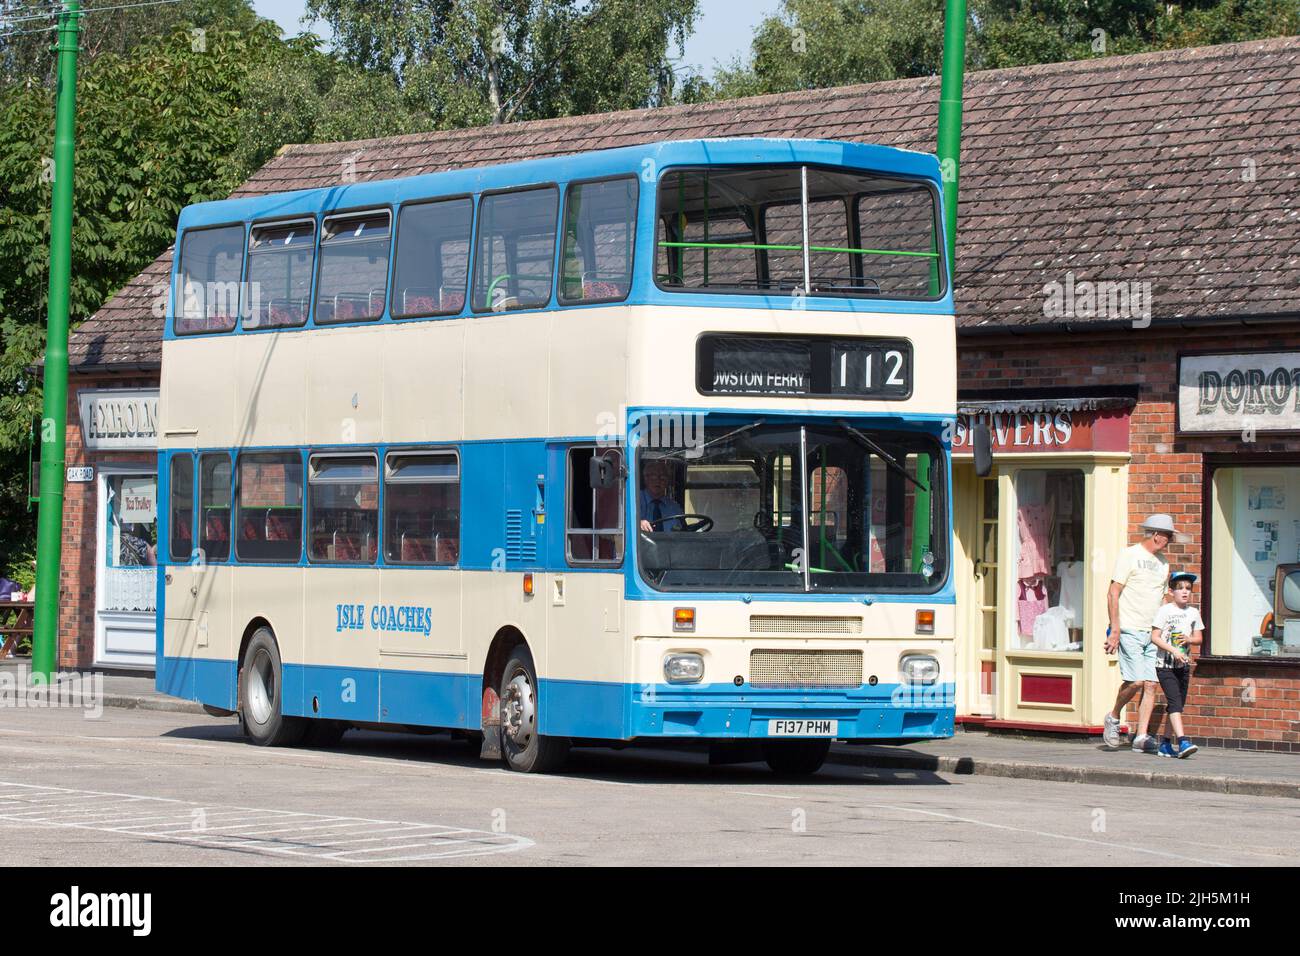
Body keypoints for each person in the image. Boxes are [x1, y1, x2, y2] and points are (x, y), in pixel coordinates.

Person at [1102, 513, 1175, 753]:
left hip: (1153, 632)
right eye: (1168, 536)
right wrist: (1115, 628)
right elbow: (1113, 592)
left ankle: (1141, 737)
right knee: (1135, 681)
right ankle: (1113, 716)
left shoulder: (1164, 563)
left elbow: (1163, 598)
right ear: (1156, 535)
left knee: (1151, 684)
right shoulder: (1129, 555)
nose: (1169, 541)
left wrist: (1167, 631)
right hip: (1130, 628)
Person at [1150, 572, 1203, 758]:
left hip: (1183, 666)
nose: (1185, 592)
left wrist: (1189, 639)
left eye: (1188, 588)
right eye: (1180, 588)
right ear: (1171, 591)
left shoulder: (1193, 612)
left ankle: (1164, 744)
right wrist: (1173, 651)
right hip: (1165, 665)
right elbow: (1154, 637)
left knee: (1177, 705)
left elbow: (1199, 638)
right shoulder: (1165, 611)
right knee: (1174, 702)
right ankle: (1182, 741)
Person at [638, 459, 684, 533]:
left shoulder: (674, 508)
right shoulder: (634, 500)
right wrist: (637, 523)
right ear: (646, 478)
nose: (658, 481)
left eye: (663, 477)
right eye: (654, 476)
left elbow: (683, 531)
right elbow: (624, 523)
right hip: (641, 544)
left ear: (668, 481)